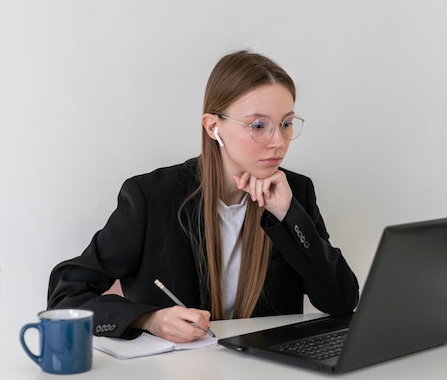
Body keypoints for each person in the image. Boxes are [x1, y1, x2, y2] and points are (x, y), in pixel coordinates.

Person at [47, 50, 359, 344]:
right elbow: (65, 297)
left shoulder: (295, 193)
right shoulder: (151, 196)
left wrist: (289, 214)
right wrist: (148, 319)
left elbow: (342, 302)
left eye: (287, 124)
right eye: (259, 125)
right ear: (213, 127)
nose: (278, 141)